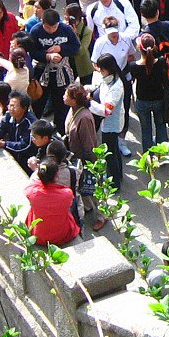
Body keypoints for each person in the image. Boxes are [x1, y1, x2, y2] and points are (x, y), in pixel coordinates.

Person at [63, 82, 106, 231]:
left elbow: (89, 145)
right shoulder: (73, 110)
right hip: (76, 157)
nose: (63, 97)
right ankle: (87, 206)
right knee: (81, 186)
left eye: (66, 95)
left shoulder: (85, 117)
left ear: (74, 100)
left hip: (86, 160)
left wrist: (91, 166)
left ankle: (102, 215)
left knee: (92, 187)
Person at [28, 9, 79, 132]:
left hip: (62, 72)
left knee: (61, 103)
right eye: (48, 28)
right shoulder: (36, 31)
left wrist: (60, 48)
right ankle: (34, 127)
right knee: (38, 100)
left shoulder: (65, 29)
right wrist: (47, 56)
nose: (51, 30)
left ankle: (60, 128)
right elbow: (32, 51)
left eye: (54, 27)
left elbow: (76, 47)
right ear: (42, 22)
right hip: (42, 71)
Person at [89, 53, 127, 190]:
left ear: (107, 69)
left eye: (101, 69)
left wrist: (89, 103)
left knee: (110, 154)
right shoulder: (109, 78)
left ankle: (114, 183)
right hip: (110, 122)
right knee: (115, 150)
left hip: (112, 124)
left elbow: (106, 110)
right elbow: (97, 85)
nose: (100, 71)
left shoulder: (116, 86)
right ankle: (119, 176)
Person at [129, 34, 169, 154]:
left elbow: (131, 79)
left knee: (146, 130)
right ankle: (163, 155)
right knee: (161, 127)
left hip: (142, 101)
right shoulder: (161, 62)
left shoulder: (134, 66)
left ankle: (149, 157)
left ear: (139, 48)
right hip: (159, 99)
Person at [23, 158, 81, 246]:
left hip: (38, 235)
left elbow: (31, 186)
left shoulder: (31, 191)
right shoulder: (66, 193)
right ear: (57, 175)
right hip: (62, 235)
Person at [0, 91, 37, 172]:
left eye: (13, 106)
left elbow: (25, 145)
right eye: (9, 105)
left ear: (24, 108)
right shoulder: (8, 115)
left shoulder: (31, 124)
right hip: (14, 154)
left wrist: (4, 144)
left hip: (27, 161)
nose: (10, 108)